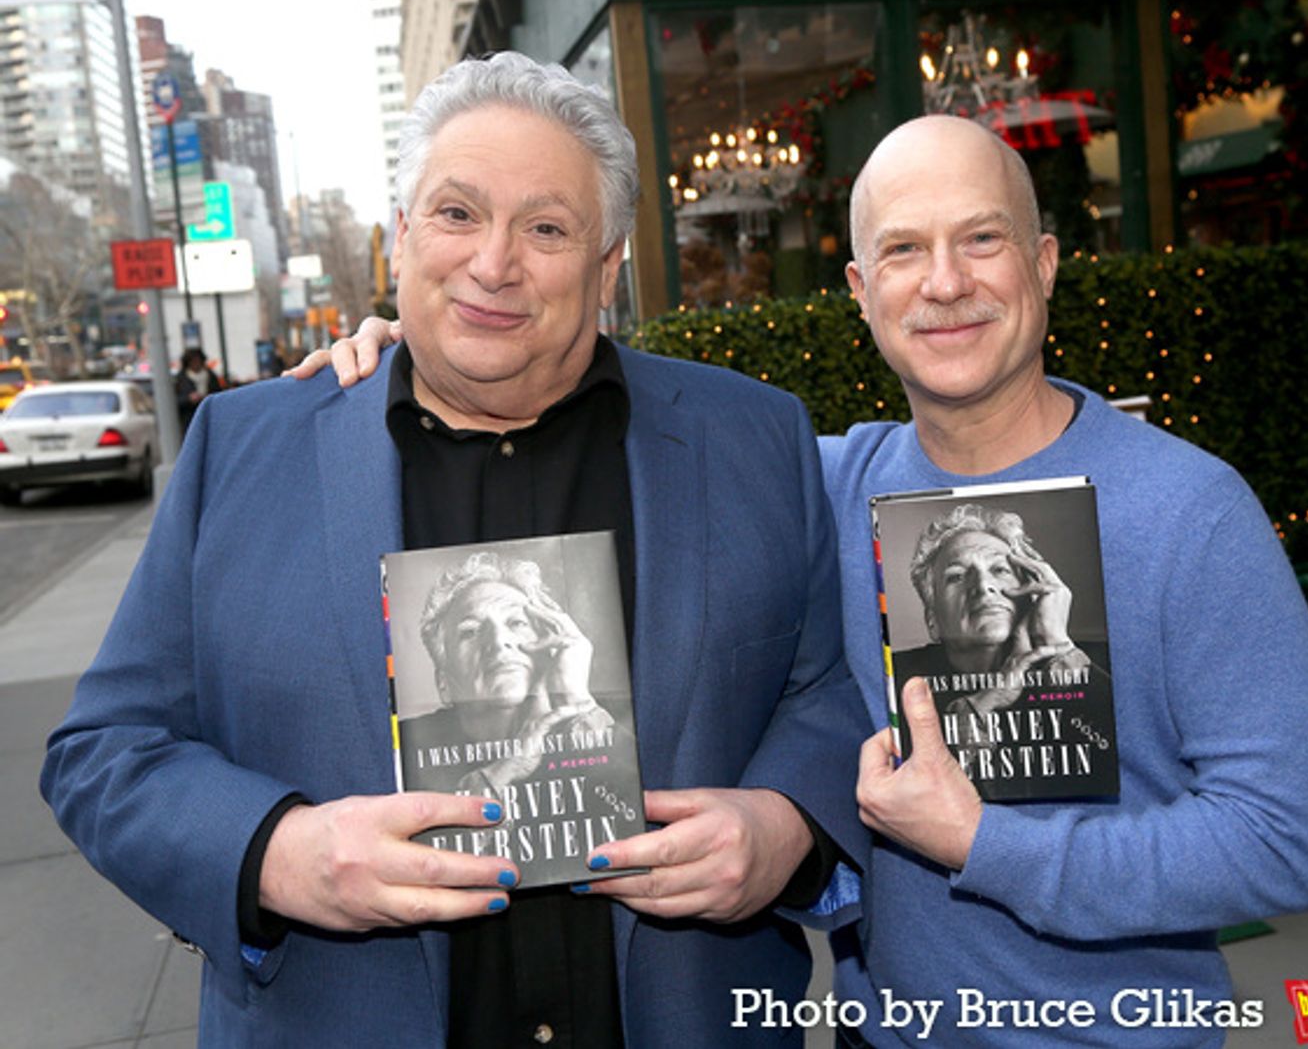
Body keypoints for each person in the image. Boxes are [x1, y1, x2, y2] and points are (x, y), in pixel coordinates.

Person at [316, 113, 1308, 1047]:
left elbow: (1280, 843)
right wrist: (427, 352)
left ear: (1044, 263)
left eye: (980, 239)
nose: (943, 282)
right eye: (901, 248)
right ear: (858, 289)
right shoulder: (825, 484)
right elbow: (608, 431)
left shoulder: (1186, 509)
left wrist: (984, 843)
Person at [42, 52, 868, 1048]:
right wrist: (277, 851)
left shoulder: (752, 439)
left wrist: (784, 826)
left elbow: (825, 697)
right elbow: (104, 752)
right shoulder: (242, 450)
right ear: (400, 236)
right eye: (456, 213)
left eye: (547, 227)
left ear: (607, 267)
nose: (493, 262)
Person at [406, 549, 616, 793]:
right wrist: (505, 769)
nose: (497, 642)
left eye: (516, 623)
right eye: (470, 632)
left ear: (550, 648)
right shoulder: (410, 744)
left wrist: (576, 702)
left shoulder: (607, 720)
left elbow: (630, 808)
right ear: (444, 684)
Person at [895, 501, 1097, 718]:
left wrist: (1058, 646)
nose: (983, 586)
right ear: (932, 620)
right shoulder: (900, 680)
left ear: (1032, 593)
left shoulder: (1095, 663)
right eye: (957, 576)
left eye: (999, 569)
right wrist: (987, 700)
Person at [174, 347, 225, 431]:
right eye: (192, 361)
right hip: (189, 418)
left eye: (198, 361)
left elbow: (219, 394)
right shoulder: (180, 379)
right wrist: (188, 399)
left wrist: (207, 397)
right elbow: (174, 400)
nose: (196, 363)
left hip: (210, 417)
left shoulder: (211, 376)